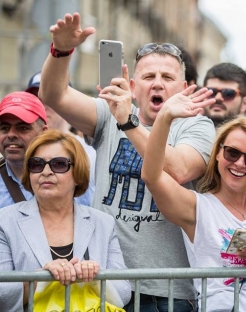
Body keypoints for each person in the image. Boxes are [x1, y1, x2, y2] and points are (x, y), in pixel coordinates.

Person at [39, 12, 215, 311]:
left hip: (166, 289)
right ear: (133, 86)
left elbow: (177, 169)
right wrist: (61, 51)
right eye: (148, 77)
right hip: (104, 281)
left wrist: (129, 123)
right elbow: (53, 95)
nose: (157, 84)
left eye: (167, 77)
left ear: (184, 87)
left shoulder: (198, 126)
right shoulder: (110, 113)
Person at [141, 87, 246, 311]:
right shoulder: (198, 207)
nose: (240, 163)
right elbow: (152, 176)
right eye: (232, 153)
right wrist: (165, 118)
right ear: (217, 153)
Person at [0, 129, 130, 311]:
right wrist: (41, 278)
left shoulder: (102, 222)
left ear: (78, 173)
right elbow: (2, 295)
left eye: (58, 164)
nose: (46, 171)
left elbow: (124, 292)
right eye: (36, 164)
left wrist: (94, 277)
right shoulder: (4, 222)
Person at [26, 71, 96, 205]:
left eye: (50, 97)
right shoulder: (20, 149)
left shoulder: (90, 152)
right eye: (36, 98)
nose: (42, 104)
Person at [202, 62, 246, 128]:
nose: (217, 98)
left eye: (228, 94)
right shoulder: (185, 129)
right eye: (211, 92)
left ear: (244, 103)